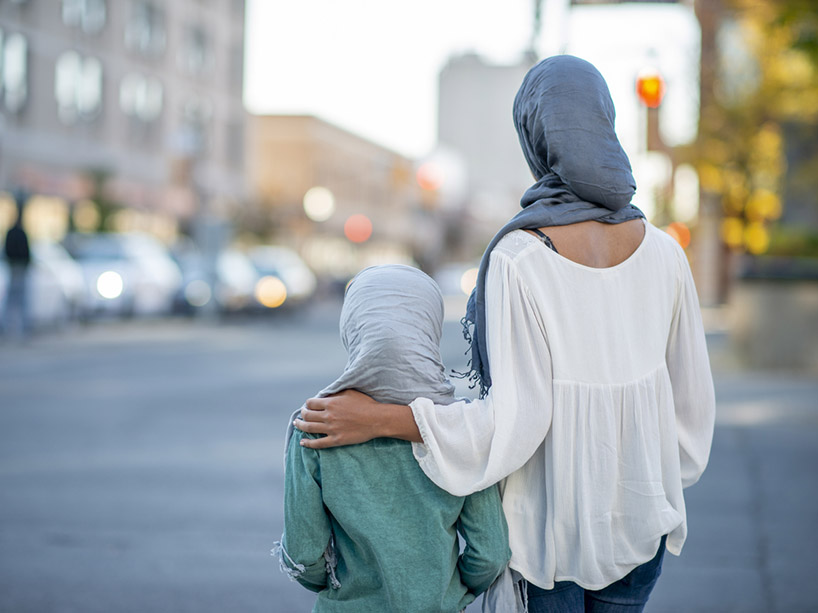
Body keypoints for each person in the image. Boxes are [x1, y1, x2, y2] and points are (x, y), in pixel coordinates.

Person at [294, 55, 716, 613]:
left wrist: (377, 420)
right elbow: (690, 411)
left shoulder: (522, 256)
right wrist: (645, 487)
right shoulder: (666, 252)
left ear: (535, 135)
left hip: (548, 535)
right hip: (643, 529)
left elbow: (516, 422)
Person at [275, 264, 511, 612]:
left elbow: (303, 553)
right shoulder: (458, 428)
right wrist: (447, 593)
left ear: (353, 328)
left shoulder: (316, 423)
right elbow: (490, 553)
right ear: (428, 326)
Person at [3, 189, 32, 339]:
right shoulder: (16, 232)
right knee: (17, 300)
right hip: (16, 268)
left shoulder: (17, 232)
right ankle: (13, 328)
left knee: (18, 300)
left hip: (17, 267)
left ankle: (19, 328)